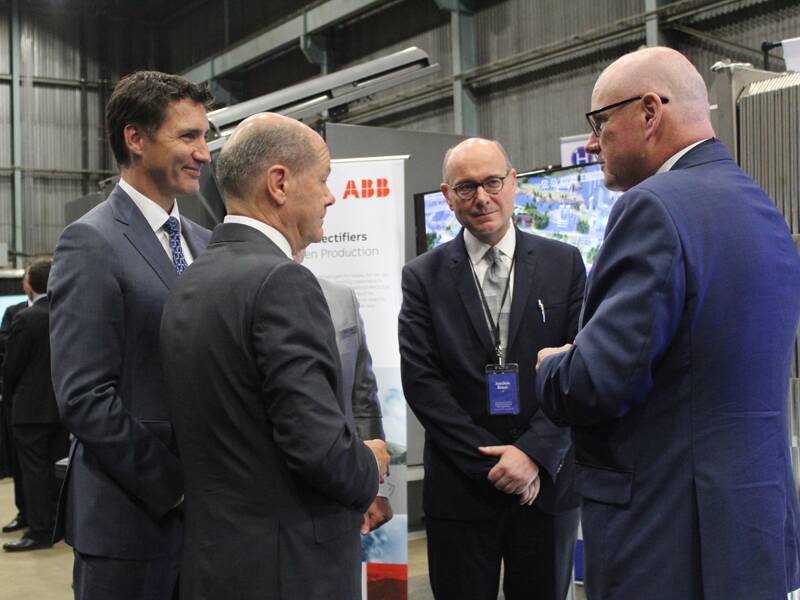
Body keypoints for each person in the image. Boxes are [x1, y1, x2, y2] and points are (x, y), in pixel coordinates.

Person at [535, 46, 800, 600]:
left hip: (665, 538)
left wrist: (554, 368)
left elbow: (599, 383)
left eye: (600, 122)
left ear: (650, 111)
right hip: (751, 531)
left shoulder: (652, 207)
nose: (590, 142)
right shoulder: (761, 207)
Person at [159, 112, 389, 600]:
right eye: (324, 180)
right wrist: (371, 462)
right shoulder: (282, 282)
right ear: (279, 183)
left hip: (216, 564)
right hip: (290, 571)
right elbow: (319, 449)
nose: (331, 196)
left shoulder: (192, 280)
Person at [48, 71, 213, 600]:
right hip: (130, 520)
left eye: (205, 137)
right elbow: (84, 396)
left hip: (209, 523)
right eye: (188, 136)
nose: (204, 154)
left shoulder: (205, 241)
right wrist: (178, 487)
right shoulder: (91, 242)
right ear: (135, 139)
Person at [399, 137, 586, 600]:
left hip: (545, 486)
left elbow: (580, 371)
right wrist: (495, 466)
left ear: (513, 183)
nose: (482, 197)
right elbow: (423, 384)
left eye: (492, 182)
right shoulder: (423, 277)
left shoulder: (564, 264)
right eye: (466, 187)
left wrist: (532, 456)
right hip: (462, 490)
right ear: (447, 196)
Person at [294, 250, 394, 534]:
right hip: (282, 495)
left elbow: (363, 399)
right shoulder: (240, 291)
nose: (327, 202)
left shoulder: (341, 298)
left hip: (345, 489)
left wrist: (376, 485)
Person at [2, 259, 68, 552]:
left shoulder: (26, 319)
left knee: (33, 472)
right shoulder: (66, 313)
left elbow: (11, 367)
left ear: (29, 284)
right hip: (61, 406)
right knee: (56, 470)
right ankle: (57, 525)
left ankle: (39, 531)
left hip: (30, 409)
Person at [0, 270, 32, 532]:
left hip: (37, 404)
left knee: (37, 468)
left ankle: (42, 522)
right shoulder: (14, 312)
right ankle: (29, 516)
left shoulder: (31, 316)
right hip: (27, 402)